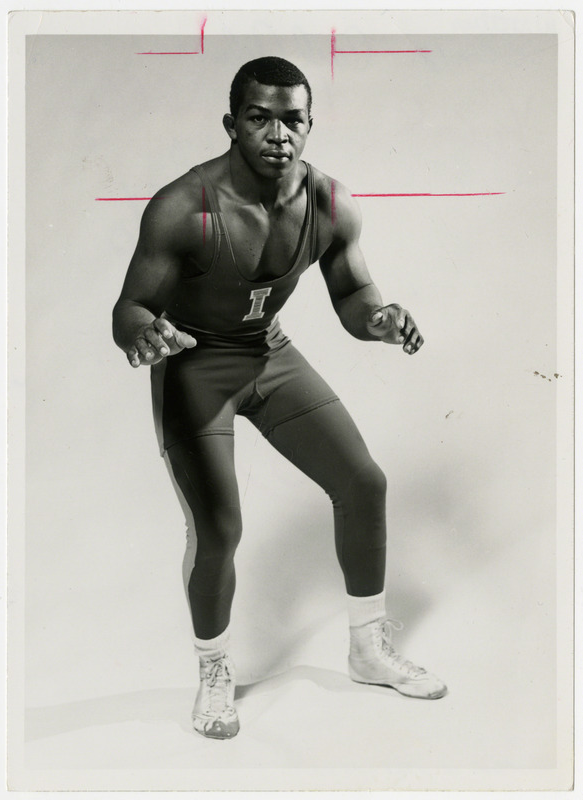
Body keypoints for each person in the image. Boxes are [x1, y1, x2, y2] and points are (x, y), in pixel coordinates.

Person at [112, 56, 446, 740]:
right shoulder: (184, 206)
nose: (277, 135)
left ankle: (366, 647)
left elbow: (353, 294)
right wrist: (145, 334)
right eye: (259, 118)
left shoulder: (329, 202)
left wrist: (378, 320)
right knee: (220, 529)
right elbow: (130, 306)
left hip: (268, 354)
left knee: (362, 481)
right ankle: (212, 670)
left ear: (309, 124)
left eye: (292, 119)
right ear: (232, 124)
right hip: (193, 367)